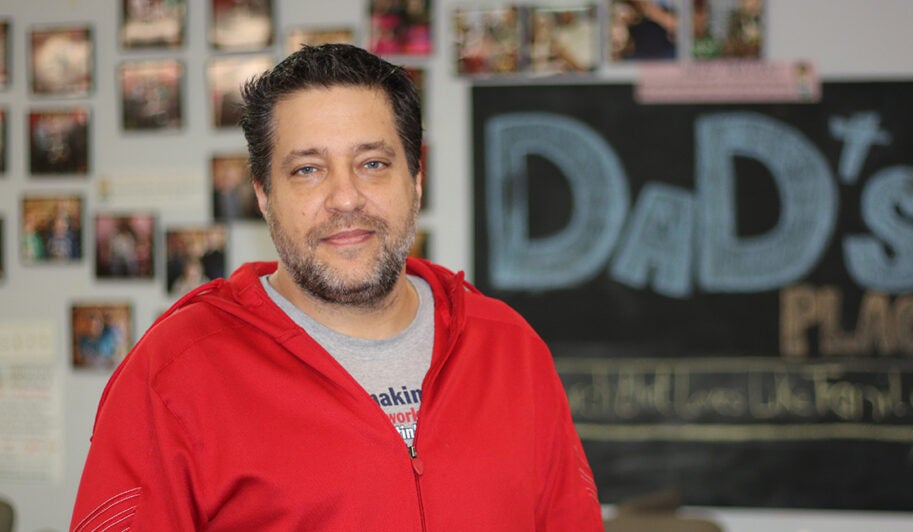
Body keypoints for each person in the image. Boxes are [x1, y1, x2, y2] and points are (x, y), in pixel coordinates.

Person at [71, 43, 602, 531]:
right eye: (307, 170)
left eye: (372, 164)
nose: (345, 198)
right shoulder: (174, 373)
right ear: (262, 194)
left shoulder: (510, 348)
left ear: (416, 180)